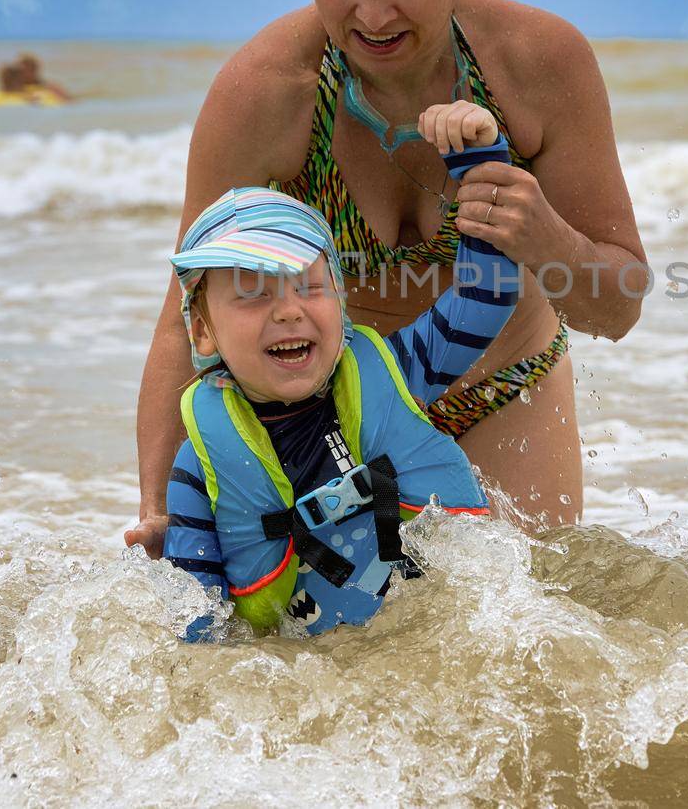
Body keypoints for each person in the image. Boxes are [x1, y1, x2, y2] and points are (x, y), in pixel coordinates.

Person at [128, 0, 645, 558]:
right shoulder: (265, 95)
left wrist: (544, 237)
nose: (372, 14)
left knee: (525, 635)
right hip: (323, 409)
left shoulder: (539, 65)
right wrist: (159, 507)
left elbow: (619, 304)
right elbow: (186, 317)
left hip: (506, 392)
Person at [165, 100, 515, 637]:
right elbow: (193, 618)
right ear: (204, 331)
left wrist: (481, 163)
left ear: (341, 305)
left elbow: (487, 294)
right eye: (254, 294)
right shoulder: (200, 467)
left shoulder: (398, 368)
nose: (287, 309)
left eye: (309, 286)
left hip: (439, 639)